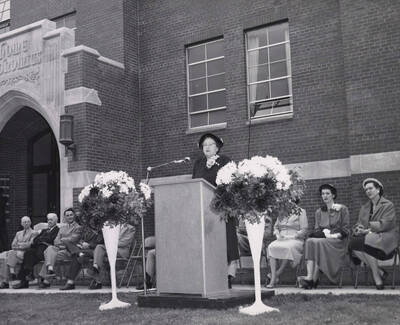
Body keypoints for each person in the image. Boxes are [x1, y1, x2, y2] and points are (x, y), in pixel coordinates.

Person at [192, 133, 239, 289]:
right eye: (204, 145)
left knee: (226, 242)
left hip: (222, 208)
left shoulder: (225, 161)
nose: (207, 147)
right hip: (204, 210)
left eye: (210, 144)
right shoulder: (198, 163)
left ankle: (228, 276)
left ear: (217, 147)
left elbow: (231, 183)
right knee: (208, 244)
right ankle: (209, 275)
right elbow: (195, 184)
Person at [348, 178, 398, 290]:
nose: (368, 191)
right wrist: (358, 228)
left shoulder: (388, 205)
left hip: (385, 237)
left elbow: (386, 224)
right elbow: (359, 223)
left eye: (370, 188)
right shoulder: (365, 207)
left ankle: (377, 276)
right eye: (366, 190)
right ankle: (378, 271)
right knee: (353, 243)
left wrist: (367, 229)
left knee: (366, 240)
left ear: (378, 189)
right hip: (369, 238)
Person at [299, 184, 350, 289]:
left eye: (327, 193)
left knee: (318, 243)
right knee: (309, 241)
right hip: (323, 240)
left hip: (338, 241)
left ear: (333, 195)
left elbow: (346, 230)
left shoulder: (342, 209)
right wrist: (323, 233)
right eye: (322, 194)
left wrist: (333, 235)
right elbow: (317, 230)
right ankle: (310, 277)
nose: (325, 196)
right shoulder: (319, 212)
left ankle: (313, 279)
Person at [266, 201, 308, 288]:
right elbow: (276, 227)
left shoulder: (301, 211)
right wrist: (277, 235)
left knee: (288, 247)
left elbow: (304, 229)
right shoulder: (282, 211)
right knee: (271, 246)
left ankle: (276, 275)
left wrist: (293, 236)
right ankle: (274, 276)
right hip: (282, 238)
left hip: (296, 238)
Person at [38, 208, 82, 289]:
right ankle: (50, 269)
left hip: (70, 251)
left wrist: (63, 242)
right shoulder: (62, 228)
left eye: (71, 215)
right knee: (50, 248)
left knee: (50, 256)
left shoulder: (78, 228)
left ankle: (46, 280)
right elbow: (55, 241)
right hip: (60, 249)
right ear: (65, 217)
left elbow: (73, 240)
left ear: (74, 216)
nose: (69, 217)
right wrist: (63, 242)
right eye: (67, 215)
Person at [13, 213, 59, 289]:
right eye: (48, 219)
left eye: (51, 219)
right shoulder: (44, 230)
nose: (49, 221)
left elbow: (51, 239)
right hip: (38, 249)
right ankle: (25, 279)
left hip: (47, 250)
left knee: (30, 255)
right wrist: (39, 240)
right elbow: (35, 240)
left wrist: (40, 240)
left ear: (56, 220)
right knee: (27, 253)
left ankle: (26, 278)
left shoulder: (58, 230)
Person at [59, 217, 104, 290]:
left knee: (76, 256)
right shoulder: (85, 230)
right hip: (82, 250)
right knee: (68, 243)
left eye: (93, 221)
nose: (91, 223)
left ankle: (70, 282)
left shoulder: (101, 232)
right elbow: (80, 239)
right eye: (90, 221)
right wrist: (81, 243)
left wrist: (89, 245)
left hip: (93, 251)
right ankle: (79, 253)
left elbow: (101, 244)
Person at [87, 223, 135, 289]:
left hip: (120, 251)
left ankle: (97, 275)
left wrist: (110, 243)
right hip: (110, 249)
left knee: (98, 251)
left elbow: (125, 242)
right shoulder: (113, 226)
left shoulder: (131, 228)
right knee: (98, 248)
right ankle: (96, 268)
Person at [0, 216, 36, 289]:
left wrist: (19, 245)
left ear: (30, 222)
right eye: (24, 222)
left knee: (10, 254)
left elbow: (30, 245)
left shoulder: (34, 233)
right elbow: (13, 245)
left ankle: (7, 279)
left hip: (26, 254)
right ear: (21, 224)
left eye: (28, 221)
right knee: (7, 257)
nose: (26, 223)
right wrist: (22, 245)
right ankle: (6, 280)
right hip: (16, 254)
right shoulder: (18, 233)